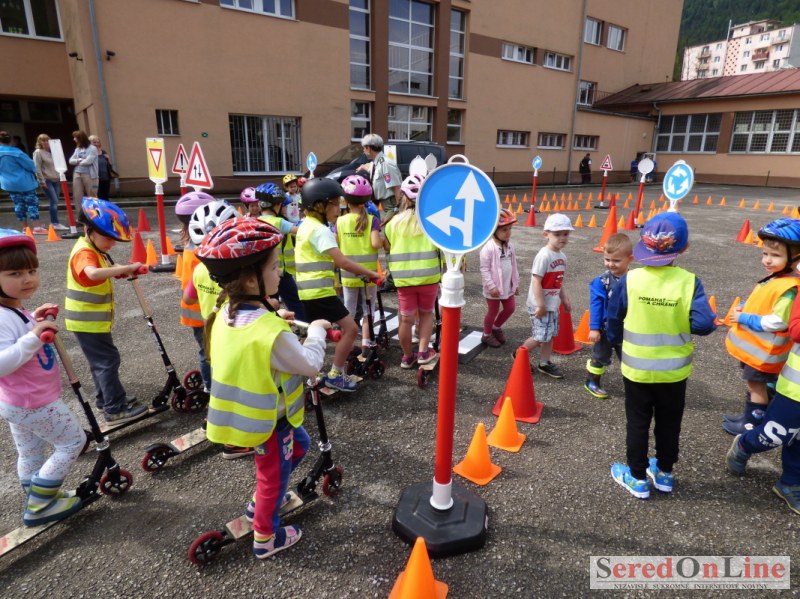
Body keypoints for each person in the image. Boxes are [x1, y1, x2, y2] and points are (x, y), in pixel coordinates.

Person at [197, 217, 332, 558]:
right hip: (268, 424)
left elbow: (255, 333)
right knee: (272, 477)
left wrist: (275, 316)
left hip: (254, 420)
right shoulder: (269, 333)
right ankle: (265, 537)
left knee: (300, 445)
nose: (280, 273)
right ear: (249, 278)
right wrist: (317, 331)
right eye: (274, 267)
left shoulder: (226, 312)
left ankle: (266, 498)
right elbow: (309, 364)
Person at [607, 213, 716, 499]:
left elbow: (613, 318)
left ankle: (637, 477)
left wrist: (616, 340)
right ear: (685, 247)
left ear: (643, 246)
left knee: (638, 422)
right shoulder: (689, 282)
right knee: (669, 423)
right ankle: (665, 472)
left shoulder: (631, 279)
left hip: (637, 370)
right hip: (674, 372)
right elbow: (705, 324)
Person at [0, 229, 86, 526]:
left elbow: (20, 334)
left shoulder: (12, 308)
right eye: (15, 273)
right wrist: (34, 336)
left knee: (30, 452)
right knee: (74, 442)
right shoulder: (1, 316)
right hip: (34, 402)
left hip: (19, 402)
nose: (27, 279)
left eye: (31, 271)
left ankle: (37, 496)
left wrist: (35, 320)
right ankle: (40, 504)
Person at [65, 197, 147, 424]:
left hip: (89, 321)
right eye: (108, 238)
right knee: (107, 361)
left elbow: (100, 271)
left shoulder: (92, 248)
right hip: (87, 321)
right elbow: (92, 273)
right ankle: (114, 408)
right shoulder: (84, 252)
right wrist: (126, 267)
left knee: (101, 362)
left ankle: (106, 399)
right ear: (89, 230)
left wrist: (120, 270)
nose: (112, 244)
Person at [295, 177, 379, 392]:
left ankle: (310, 376)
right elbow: (342, 261)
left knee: (316, 332)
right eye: (334, 204)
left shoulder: (305, 226)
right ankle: (336, 375)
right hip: (320, 292)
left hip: (305, 291)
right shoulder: (321, 230)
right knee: (351, 328)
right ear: (319, 205)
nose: (338, 209)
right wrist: (371, 273)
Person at [727, 284, 800, 515]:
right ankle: (744, 445)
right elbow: (796, 330)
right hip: (795, 390)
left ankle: (790, 482)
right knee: (774, 434)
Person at [723, 218, 800, 435]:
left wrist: (745, 318)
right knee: (757, 385)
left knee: (756, 386)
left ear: (796, 257)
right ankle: (751, 415)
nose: (767, 260)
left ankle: (751, 424)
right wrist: (746, 306)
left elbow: (778, 321)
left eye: (775, 255)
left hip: (765, 353)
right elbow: (763, 301)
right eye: (765, 253)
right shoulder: (778, 278)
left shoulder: (789, 288)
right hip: (757, 350)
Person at [383, 174, 441, 369]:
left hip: (404, 280)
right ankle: (424, 352)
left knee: (406, 319)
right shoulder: (432, 221)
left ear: (403, 198)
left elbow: (388, 247)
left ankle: (407, 357)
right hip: (429, 277)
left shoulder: (392, 223)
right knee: (426, 314)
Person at [518, 213, 574, 379]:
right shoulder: (544, 255)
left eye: (565, 234)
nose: (562, 238)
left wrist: (564, 299)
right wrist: (540, 305)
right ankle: (519, 354)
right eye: (557, 234)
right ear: (546, 234)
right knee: (539, 337)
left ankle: (544, 362)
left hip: (552, 304)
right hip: (540, 305)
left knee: (549, 336)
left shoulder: (562, 257)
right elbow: (536, 281)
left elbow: (558, 281)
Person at [585, 233, 634, 399]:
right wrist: (594, 328)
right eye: (607, 259)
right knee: (600, 357)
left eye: (616, 260)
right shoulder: (601, 281)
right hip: (605, 330)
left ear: (630, 259)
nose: (610, 264)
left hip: (628, 328)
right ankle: (592, 381)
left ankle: (634, 387)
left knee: (629, 359)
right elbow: (596, 305)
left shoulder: (635, 280)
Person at [337, 175, 382, 356]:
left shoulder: (339, 222)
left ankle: (346, 345)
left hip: (348, 274)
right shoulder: (372, 220)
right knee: (367, 310)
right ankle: (366, 344)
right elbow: (376, 244)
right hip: (369, 274)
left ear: (346, 200)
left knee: (348, 311)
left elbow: (335, 245)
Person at [255, 182, 305, 321]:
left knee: (269, 305)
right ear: (277, 205)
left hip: (262, 273)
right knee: (295, 303)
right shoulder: (279, 222)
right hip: (281, 273)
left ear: (259, 205)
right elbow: (300, 231)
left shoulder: (255, 222)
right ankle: (305, 328)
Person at [479, 208, 519, 348]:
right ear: (494, 231)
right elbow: (484, 269)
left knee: (510, 308)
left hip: (507, 285)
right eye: (504, 230)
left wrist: (515, 283)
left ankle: (496, 327)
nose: (508, 233)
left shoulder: (510, 246)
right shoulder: (488, 248)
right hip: (494, 288)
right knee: (493, 311)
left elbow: (514, 265)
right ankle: (486, 334)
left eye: (510, 229)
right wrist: (491, 286)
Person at [0, 131, 47, 234]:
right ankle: (37, 227)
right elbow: (31, 166)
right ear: (10, 141)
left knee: (18, 205)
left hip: (8, 183)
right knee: (32, 204)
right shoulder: (16, 152)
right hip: (25, 182)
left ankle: (25, 228)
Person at [356, 133, 402, 224]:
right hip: (384, 205)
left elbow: (397, 187)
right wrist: (362, 167)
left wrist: (399, 209)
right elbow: (371, 168)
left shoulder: (386, 163)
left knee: (388, 229)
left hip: (391, 205)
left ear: (369, 148)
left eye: (364, 148)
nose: (363, 150)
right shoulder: (377, 162)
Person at [32, 134, 68, 231]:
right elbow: (37, 168)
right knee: (54, 201)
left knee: (55, 201)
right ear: (39, 142)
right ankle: (54, 223)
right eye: (43, 140)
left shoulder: (52, 152)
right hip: (46, 180)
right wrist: (41, 181)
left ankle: (54, 222)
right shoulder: (38, 152)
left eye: (47, 140)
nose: (46, 142)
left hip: (55, 179)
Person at [68, 131, 98, 215]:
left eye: (75, 137)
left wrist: (78, 162)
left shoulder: (92, 148)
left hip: (89, 174)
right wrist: (79, 160)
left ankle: (94, 215)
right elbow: (70, 160)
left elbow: (88, 161)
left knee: (92, 195)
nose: (74, 139)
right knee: (77, 196)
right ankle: (80, 216)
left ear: (80, 138)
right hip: (77, 173)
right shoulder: (77, 149)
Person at [89, 135, 118, 200]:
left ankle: (106, 206)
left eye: (98, 142)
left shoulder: (103, 152)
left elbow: (107, 164)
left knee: (106, 196)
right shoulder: (89, 153)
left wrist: (107, 159)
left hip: (105, 178)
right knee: (98, 196)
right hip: (95, 179)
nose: (96, 144)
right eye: (94, 142)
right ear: (90, 143)